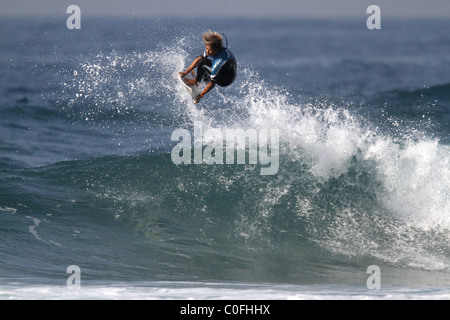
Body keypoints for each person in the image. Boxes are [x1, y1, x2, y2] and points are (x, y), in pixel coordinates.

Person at [179, 30, 237, 104]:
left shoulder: (219, 61)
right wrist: (185, 72)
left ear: (216, 50)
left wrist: (200, 95)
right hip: (225, 70)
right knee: (201, 59)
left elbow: (213, 84)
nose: (207, 51)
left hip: (225, 79)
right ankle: (202, 79)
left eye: (209, 50)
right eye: (206, 48)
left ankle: (196, 82)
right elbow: (198, 59)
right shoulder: (213, 49)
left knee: (202, 63)